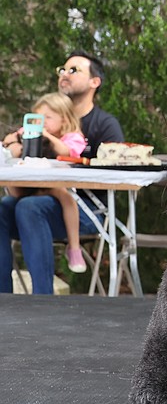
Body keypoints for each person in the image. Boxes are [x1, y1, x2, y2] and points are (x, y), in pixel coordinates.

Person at [0, 51, 124, 294]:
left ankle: (43, 300)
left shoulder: (104, 124)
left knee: (29, 208)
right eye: (62, 70)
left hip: (87, 212)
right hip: (35, 200)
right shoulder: (40, 123)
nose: (64, 75)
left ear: (94, 82)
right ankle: (4, 296)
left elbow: (119, 168)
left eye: (74, 70)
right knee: (4, 206)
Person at [4, 92, 89, 273]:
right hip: (30, 185)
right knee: (9, 193)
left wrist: (47, 136)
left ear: (64, 120)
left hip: (58, 186)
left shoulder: (71, 137)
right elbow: (11, 142)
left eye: (47, 118)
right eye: (38, 118)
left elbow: (67, 151)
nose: (41, 122)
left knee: (66, 197)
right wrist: (13, 140)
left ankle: (74, 246)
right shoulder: (32, 132)